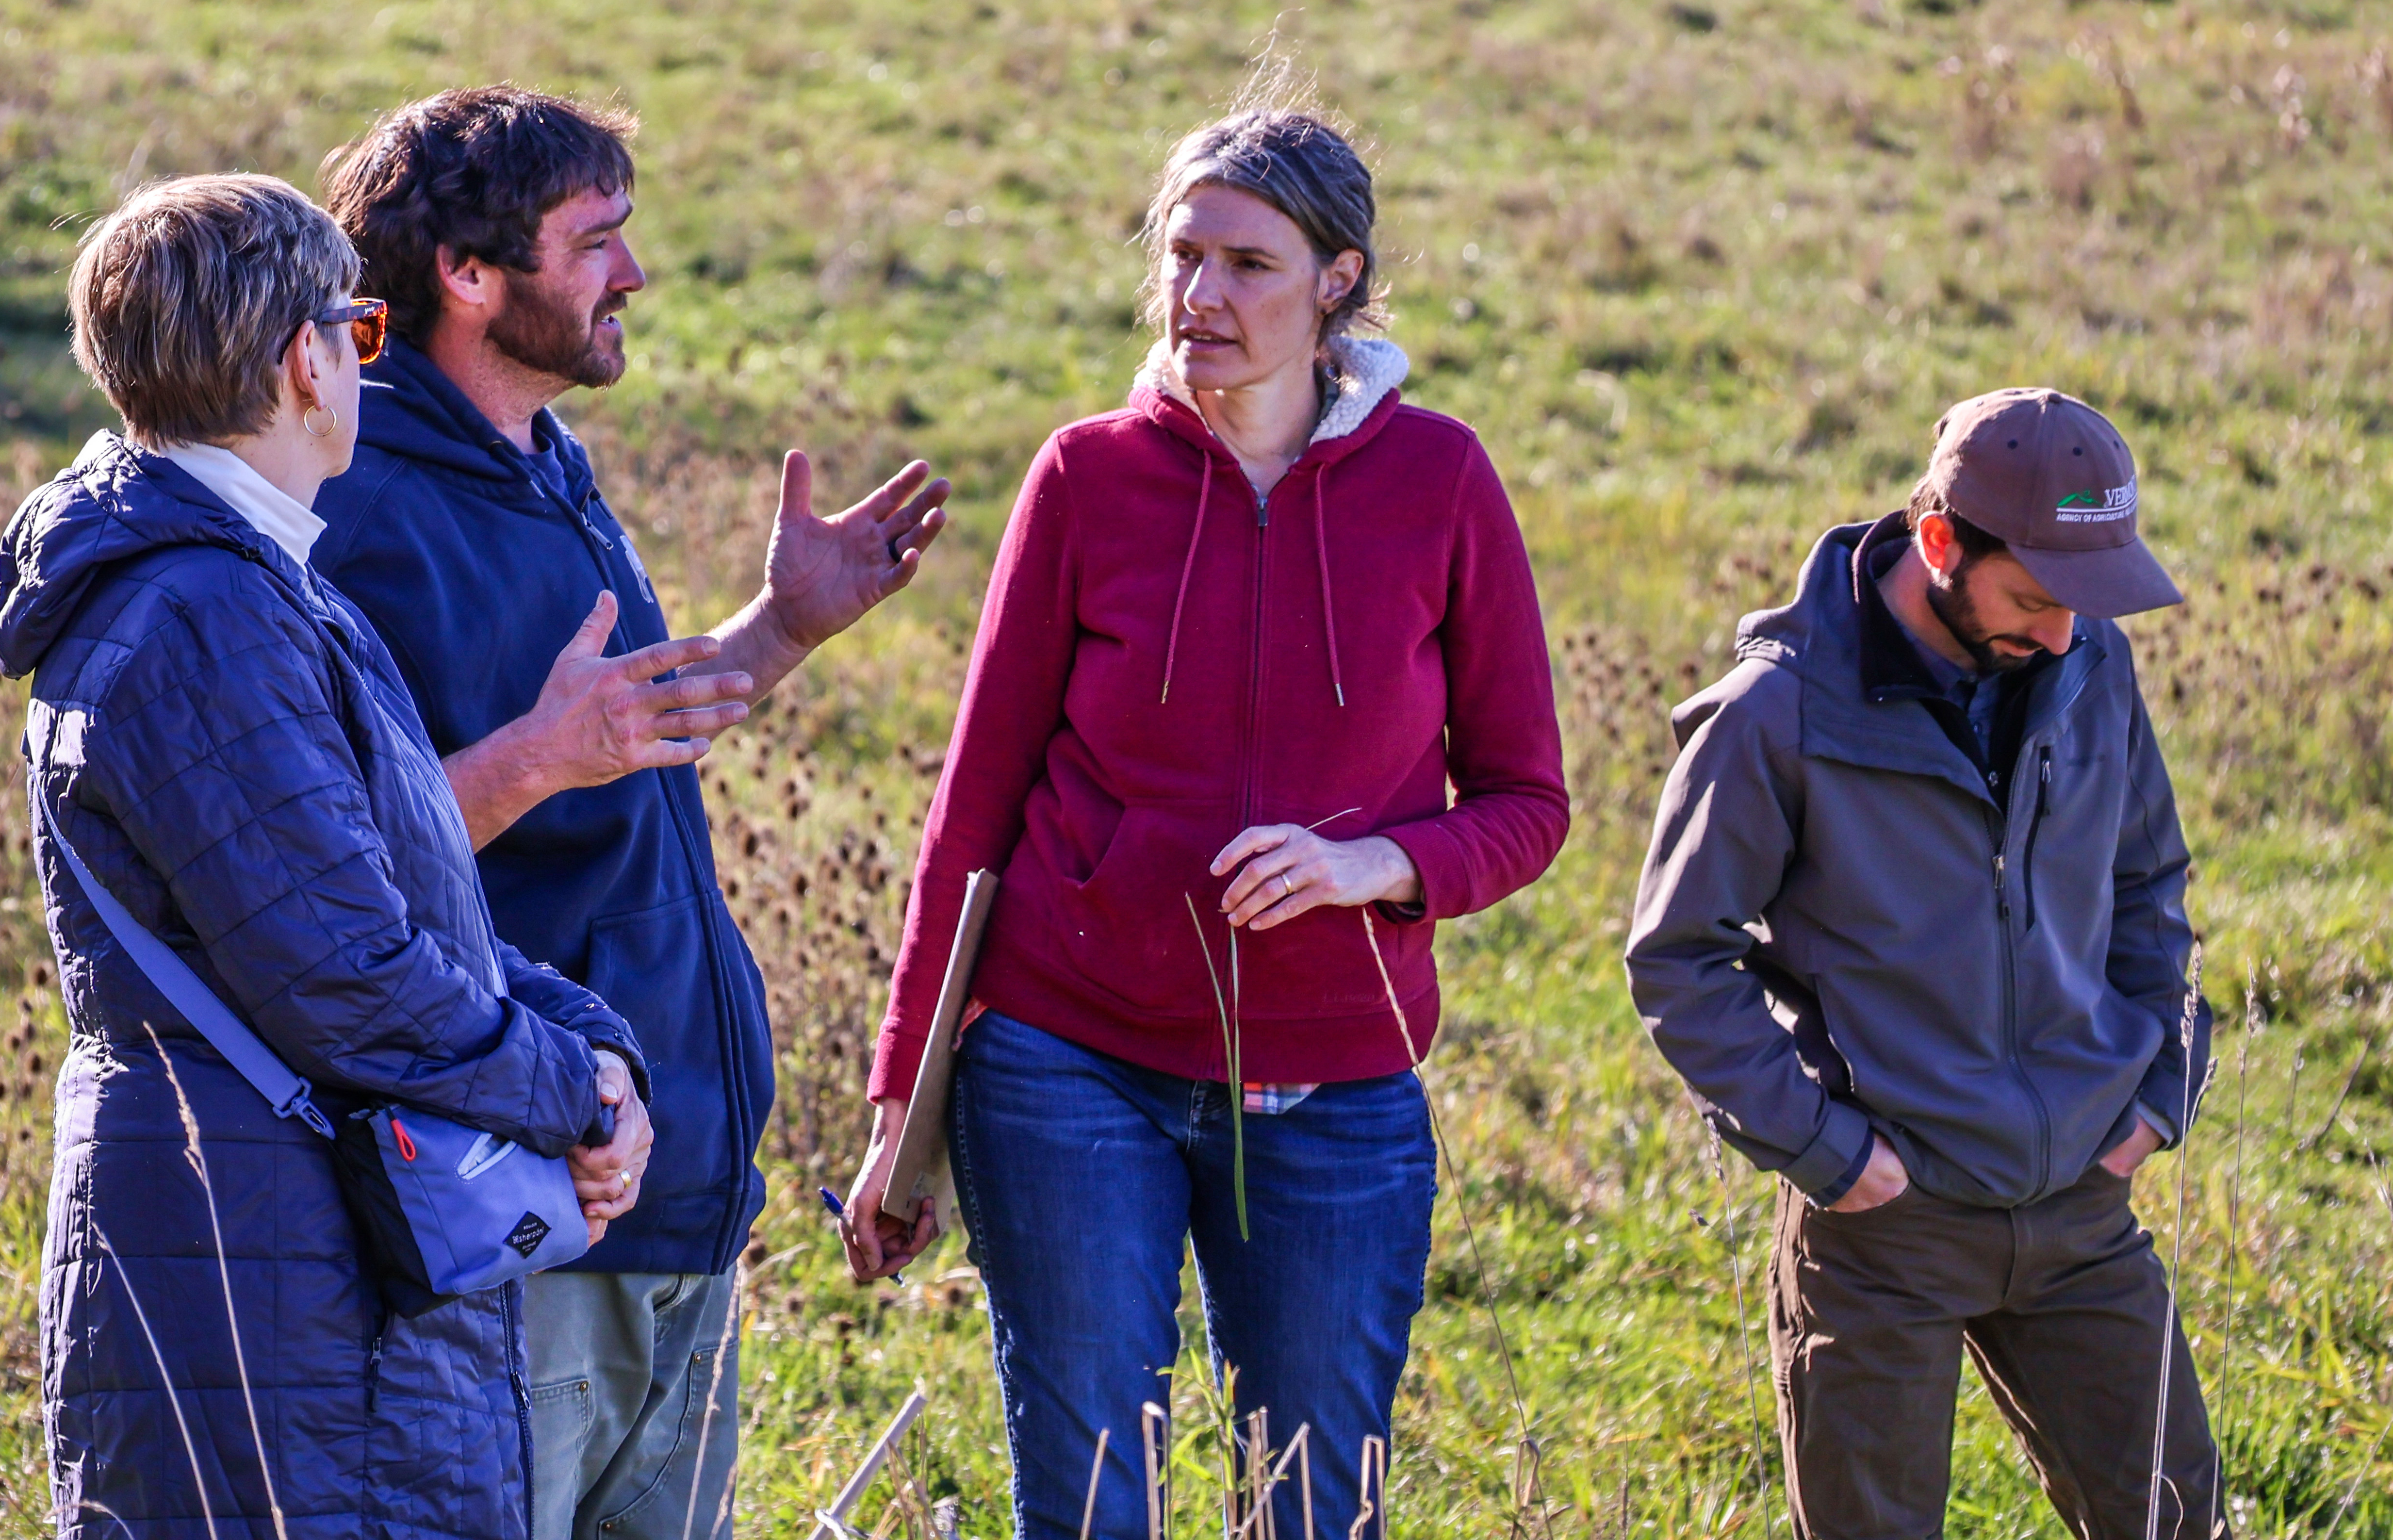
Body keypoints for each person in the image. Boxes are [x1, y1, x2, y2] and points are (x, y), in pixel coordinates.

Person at [843, 106, 1571, 1540]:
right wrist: (897, 1113)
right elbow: (975, 808)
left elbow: (1530, 804)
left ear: (1339, 281)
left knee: (1313, 1507)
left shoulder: (1441, 486)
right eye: (1184, 257)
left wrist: (1376, 866)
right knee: (1094, 1502)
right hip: (1067, 1059)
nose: (1203, 298)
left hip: (1338, 1086)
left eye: (1248, 264)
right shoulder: (1086, 477)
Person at [310, 88, 952, 1540]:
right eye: (596, 243)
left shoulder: (540, 462)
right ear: (470, 278)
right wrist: (539, 759)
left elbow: (612, 739)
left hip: (668, 1192)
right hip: (527, 1201)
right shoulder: (359, 513)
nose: (634, 278)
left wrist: (782, 629)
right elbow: (328, 871)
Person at [0, 173, 656, 1540]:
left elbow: (399, 908)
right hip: (264, 1262)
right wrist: (570, 1095)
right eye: (356, 331)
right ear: (303, 360)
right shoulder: (204, 612)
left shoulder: (249, 585)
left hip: (286, 1237)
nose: (364, 362)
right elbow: (347, 971)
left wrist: (597, 1049)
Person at [1625, 388, 2217, 1540]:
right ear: (1941, 542)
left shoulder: (2095, 662)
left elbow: (2152, 888)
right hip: (1886, 1226)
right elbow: (1681, 956)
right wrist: (1828, 1153)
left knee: (2180, 1522)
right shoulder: (1777, 715)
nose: (2061, 632)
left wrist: (2157, 1092)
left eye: (2083, 602)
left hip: (2085, 1209)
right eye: (2035, 596)